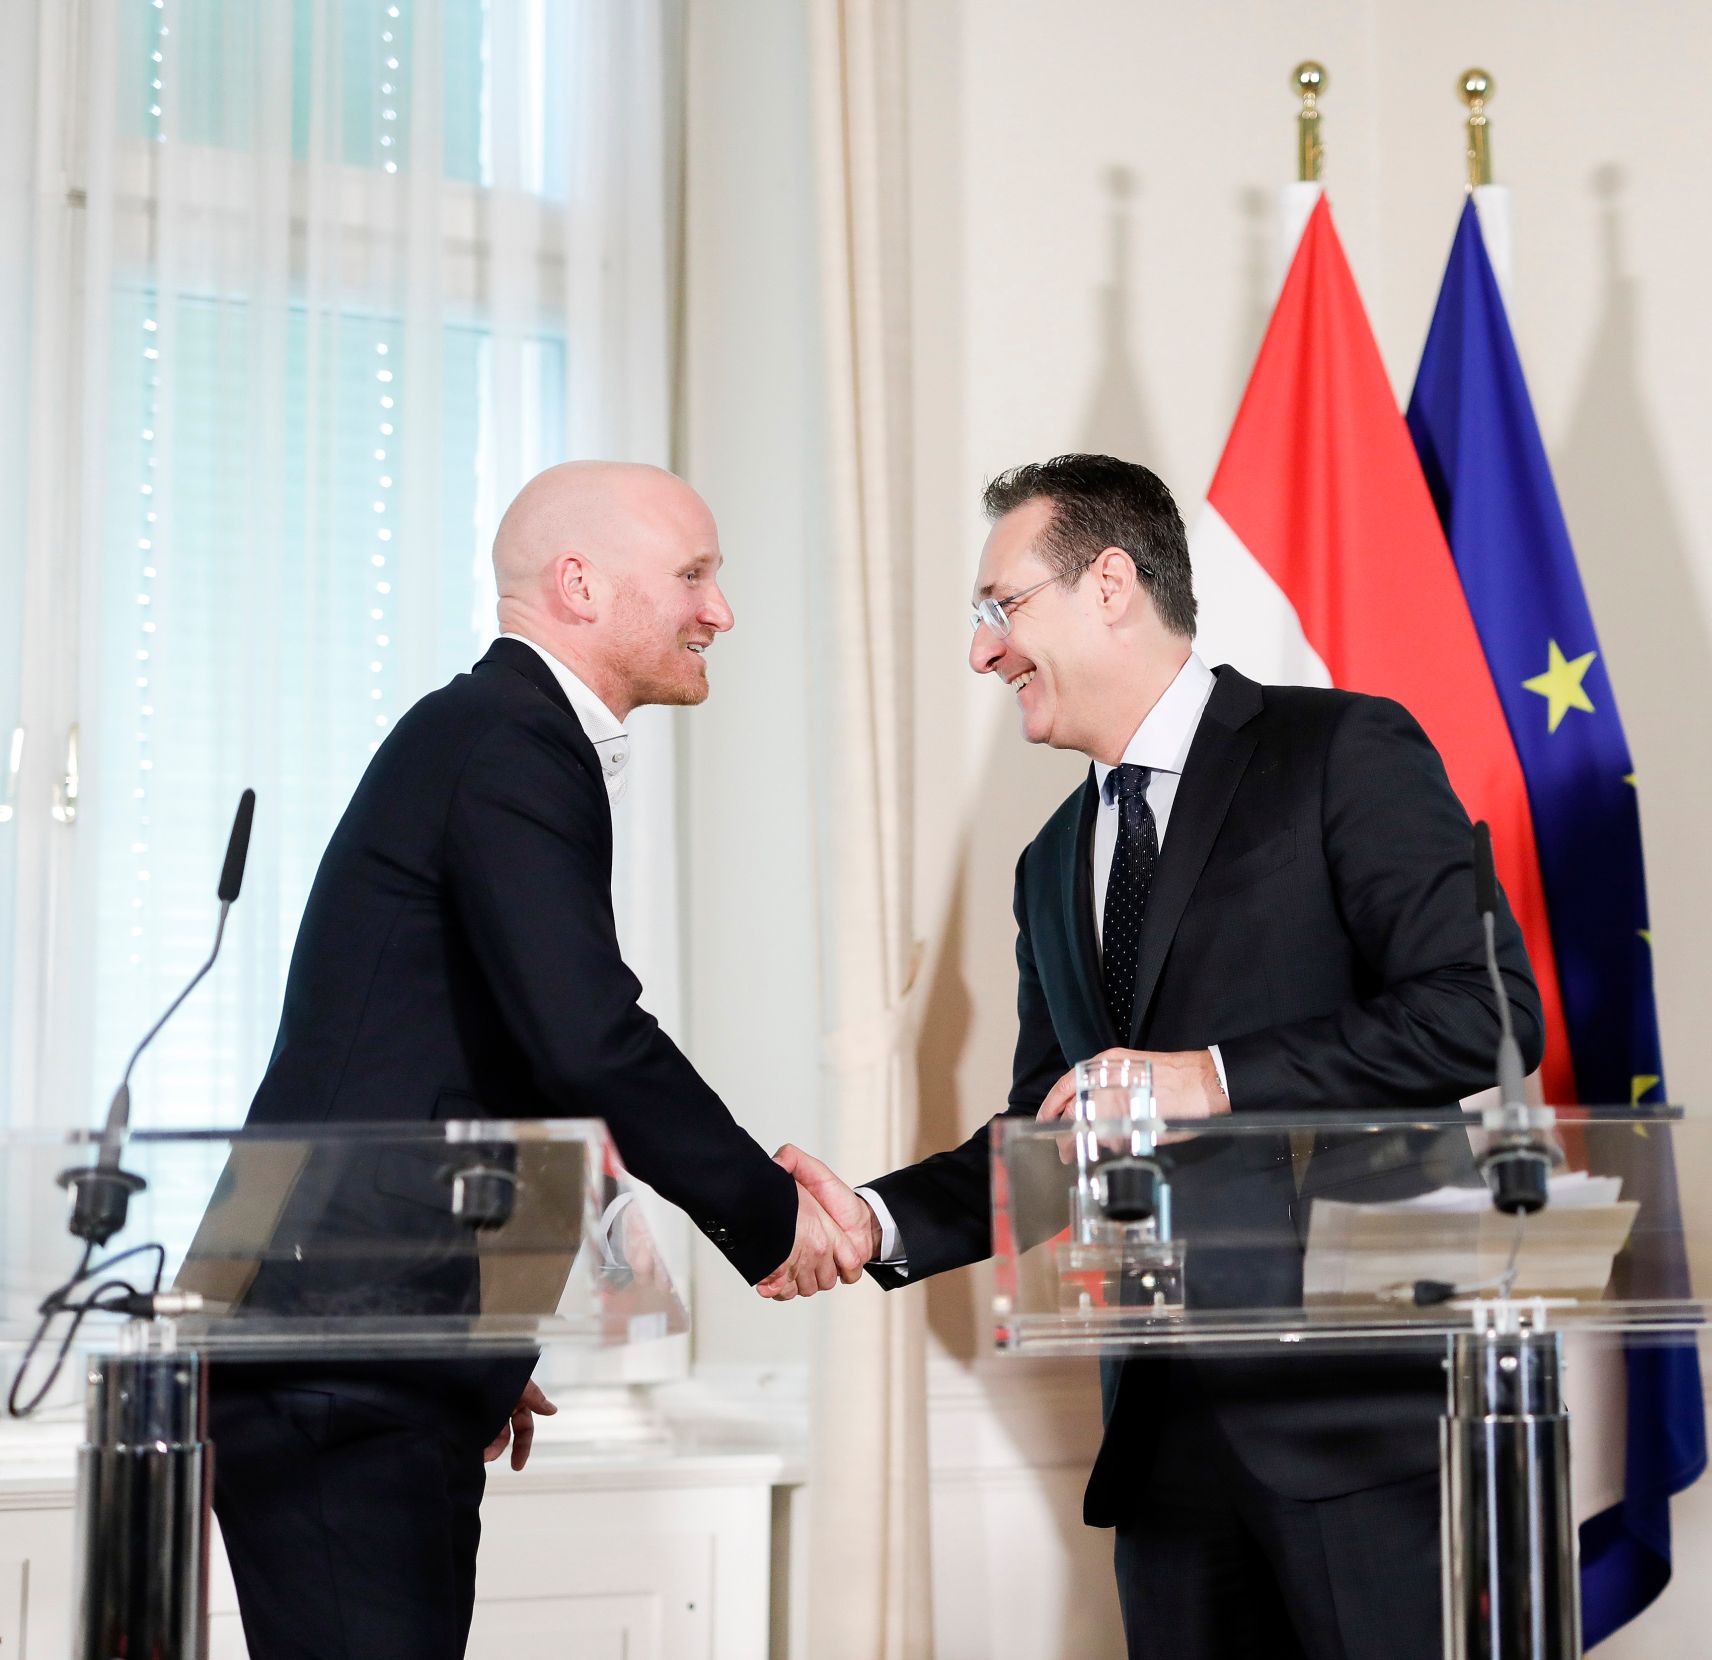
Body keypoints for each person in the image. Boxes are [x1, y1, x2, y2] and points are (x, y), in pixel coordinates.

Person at [770, 454, 1544, 1660]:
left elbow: (1480, 1009)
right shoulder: (1047, 860)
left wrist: (1214, 1075)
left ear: (1110, 582)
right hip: (1160, 1448)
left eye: (999, 608)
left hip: (1352, 1428)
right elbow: (1047, 1133)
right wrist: (875, 1219)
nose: (982, 652)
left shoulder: (1336, 748)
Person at [209, 461, 861, 1660]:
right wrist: (769, 1216)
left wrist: (483, 1324)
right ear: (579, 584)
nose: (721, 610)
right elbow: (586, 1038)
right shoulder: (506, 738)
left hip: (380, 1345)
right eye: (695, 575)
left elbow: (471, 1056)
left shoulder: (494, 733)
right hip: (344, 1356)